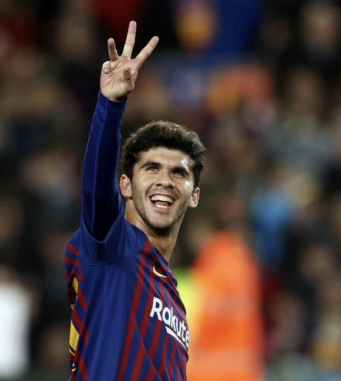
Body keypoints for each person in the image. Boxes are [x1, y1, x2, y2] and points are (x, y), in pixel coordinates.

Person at [64, 21, 205, 380]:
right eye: (152, 169)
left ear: (194, 195)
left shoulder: (175, 300)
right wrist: (110, 104)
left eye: (179, 173)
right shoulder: (110, 246)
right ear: (125, 185)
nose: (165, 181)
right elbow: (96, 189)